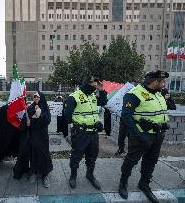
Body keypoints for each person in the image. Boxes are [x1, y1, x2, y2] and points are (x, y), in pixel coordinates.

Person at [118, 70, 170, 203]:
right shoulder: (134, 94)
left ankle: (144, 184)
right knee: (131, 160)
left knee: (151, 161)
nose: (164, 84)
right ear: (154, 82)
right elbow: (126, 116)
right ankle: (123, 183)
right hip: (141, 135)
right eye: (162, 81)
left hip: (157, 135)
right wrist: (138, 134)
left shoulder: (158, 93)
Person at [64, 76, 107, 189]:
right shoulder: (74, 96)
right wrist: (74, 126)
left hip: (93, 133)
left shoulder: (93, 95)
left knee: (92, 155)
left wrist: (102, 91)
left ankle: (90, 175)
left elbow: (103, 102)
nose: (94, 87)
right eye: (92, 85)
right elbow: (67, 114)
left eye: (95, 86)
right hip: (81, 133)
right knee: (76, 155)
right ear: (86, 84)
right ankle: (73, 176)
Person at [27, 91, 52, 188]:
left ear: (41, 98)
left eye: (38, 97)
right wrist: (33, 116)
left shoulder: (45, 107)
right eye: (34, 97)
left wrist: (39, 115)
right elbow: (28, 119)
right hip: (33, 134)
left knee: (43, 153)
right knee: (33, 152)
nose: (36, 98)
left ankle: (45, 175)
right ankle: (33, 172)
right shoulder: (31, 107)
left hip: (42, 135)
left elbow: (47, 120)